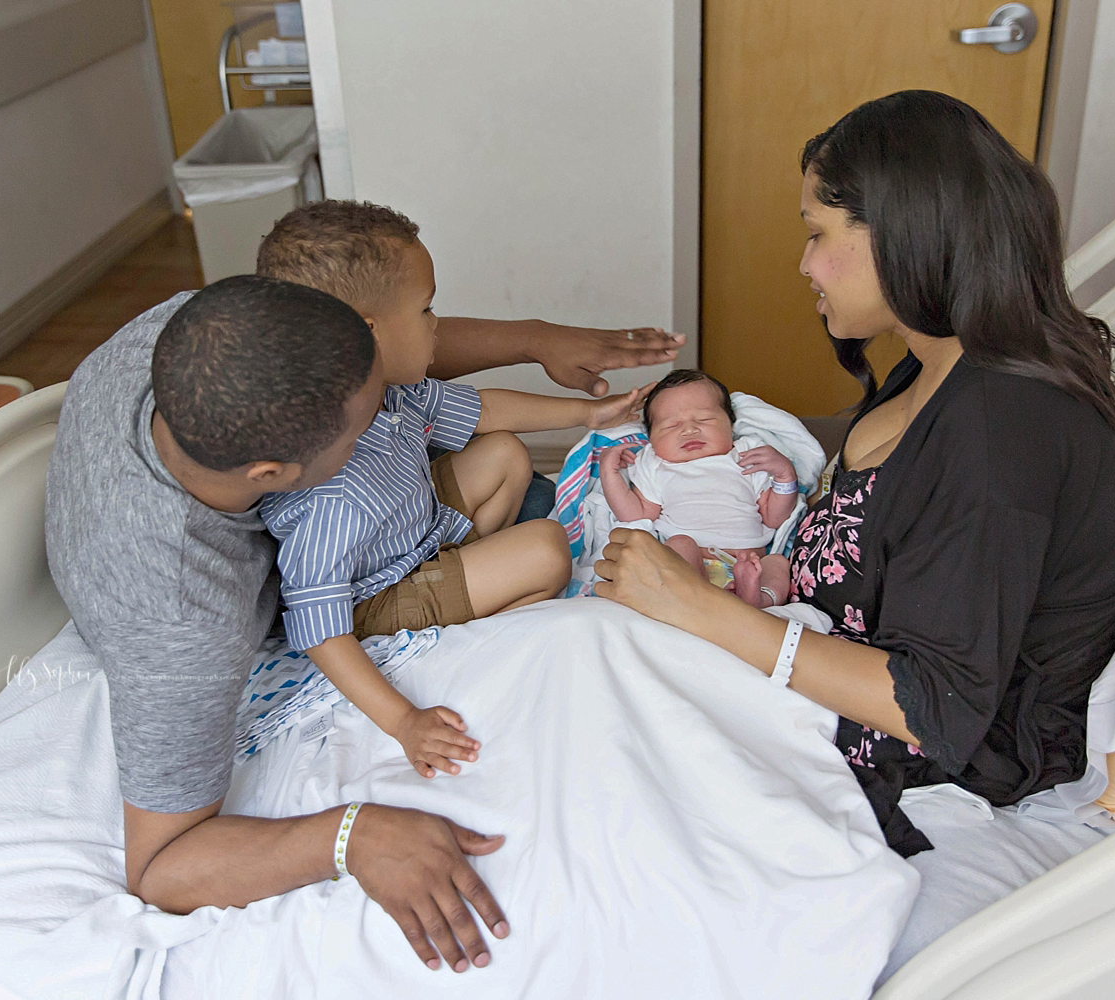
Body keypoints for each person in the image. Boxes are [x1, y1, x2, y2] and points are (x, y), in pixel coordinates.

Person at [44, 272, 681, 975]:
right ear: (276, 474)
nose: (390, 414)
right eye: (365, 420)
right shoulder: (178, 619)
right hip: (342, 596)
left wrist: (536, 340)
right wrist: (353, 837)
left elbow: (390, 348)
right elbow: (162, 868)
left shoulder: (199, 326)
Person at [594, 90, 1115, 855]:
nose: (804, 263)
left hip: (908, 749)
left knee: (579, 696)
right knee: (570, 658)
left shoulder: (1002, 429)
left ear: (905, 234)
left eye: (819, 233)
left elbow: (935, 706)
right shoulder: (940, 367)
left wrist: (703, 609)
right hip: (800, 641)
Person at [256, 201, 649, 779]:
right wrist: (403, 722)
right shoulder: (330, 495)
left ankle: (467, 574)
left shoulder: (385, 392)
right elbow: (317, 623)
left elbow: (484, 409)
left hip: (410, 524)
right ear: (366, 333)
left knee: (506, 453)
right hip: (377, 592)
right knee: (544, 547)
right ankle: (465, 605)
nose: (438, 324)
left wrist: (587, 414)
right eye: (426, 308)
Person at [598, 368, 797, 608]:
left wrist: (785, 476)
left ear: (730, 425)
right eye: (672, 426)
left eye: (705, 420)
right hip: (689, 566)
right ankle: (698, 594)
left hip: (747, 565)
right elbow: (636, 516)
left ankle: (758, 599)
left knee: (777, 563)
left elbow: (774, 517)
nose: (689, 429)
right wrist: (609, 475)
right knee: (680, 544)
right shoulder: (655, 465)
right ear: (651, 439)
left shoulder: (746, 454)